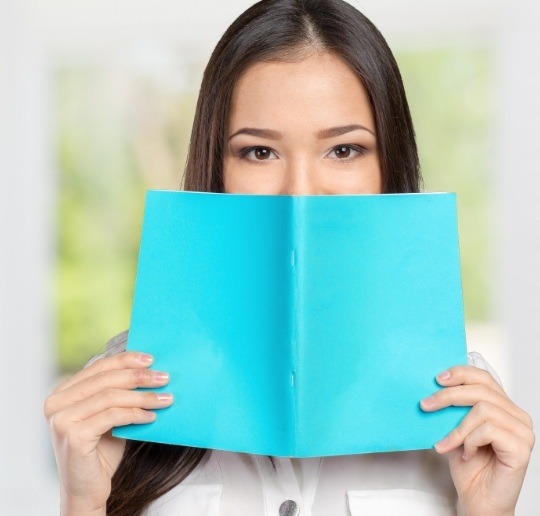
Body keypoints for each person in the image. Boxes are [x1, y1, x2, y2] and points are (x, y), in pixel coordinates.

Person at [43, 1, 535, 515]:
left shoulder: (460, 404)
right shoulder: (125, 392)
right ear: (217, 168)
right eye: (259, 152)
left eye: (344, 149)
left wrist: (488, 511)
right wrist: (82, 500)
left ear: (389, 167)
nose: (300, 193)